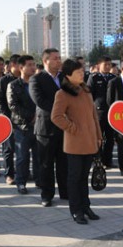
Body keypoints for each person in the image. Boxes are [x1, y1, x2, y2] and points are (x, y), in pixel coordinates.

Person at [51, 59, 102, 224]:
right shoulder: (63, 94)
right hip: (74, 143)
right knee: (74, 178)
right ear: (68, 75)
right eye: (78, 72)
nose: (82, 73)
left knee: (84, 177)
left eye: (82, 71)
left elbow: (93, 116)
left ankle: (86, 206)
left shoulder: (86, 91)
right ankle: (76, 210)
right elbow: (56, 116)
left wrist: (98, 135)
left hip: (90, 140)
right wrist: (73, 128)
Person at [29, 48, 68, 207]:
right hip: (46, 127)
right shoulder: (36, 79)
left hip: (65, 126)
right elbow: (40, 101)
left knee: (64, 162)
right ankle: (47, 195)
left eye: (59, 58)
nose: (59, 61)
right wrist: (61, 112)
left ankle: (65, 192)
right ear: (46, 61)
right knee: (46, 164)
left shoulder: (65, 77)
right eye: (55, 58)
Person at [7, 55, 37, 194]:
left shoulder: (38, 82)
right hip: (22, 126)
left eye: (34, 64)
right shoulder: (13, 85)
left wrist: (39, 116)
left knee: (39, 156)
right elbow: (13, 105)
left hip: (38, 125)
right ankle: (21, 182)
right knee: (22, 157)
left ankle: (40, 181)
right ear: (21, 68)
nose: (33, 67)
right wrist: (31, 116)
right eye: (29, 64)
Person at [87, 56, 116, 168]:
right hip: (99, 112)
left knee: (110, 138)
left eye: (109, 64)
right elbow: (89, 96)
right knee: (98, 138)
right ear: (99, 66)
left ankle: (107, 160)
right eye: (106, 64)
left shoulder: (113, 78)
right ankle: (97, 160)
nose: (108, 66)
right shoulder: (93, 78)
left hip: (112, 112)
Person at [0, 54, 19, 185]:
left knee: (24, 149)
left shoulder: (25, 80)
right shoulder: (3, 81)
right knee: (8, 148)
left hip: (24, 120)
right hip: (9, 119)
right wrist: (7, 117)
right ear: (12, 65)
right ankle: (9, 174)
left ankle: (23, 173)